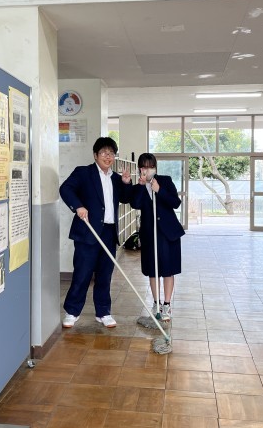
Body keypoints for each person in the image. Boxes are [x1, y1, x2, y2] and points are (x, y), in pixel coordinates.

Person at [60, 137, 132, 328]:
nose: (108, 157)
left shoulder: (116, 178)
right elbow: (65, 189)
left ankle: (103, 312)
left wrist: (126, 183)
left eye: (111, 153)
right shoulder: (84, 173)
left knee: (105, 275)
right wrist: (78, 206)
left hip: (109, 232)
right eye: (104, 153)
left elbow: (126, 199)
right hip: (88, 232)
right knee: (82, 274)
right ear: (95, 155)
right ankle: (72, 311)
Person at [130, 153, 185, 321]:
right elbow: (135, 204)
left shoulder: (165, 181)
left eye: (151, 166)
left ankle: (167, 305)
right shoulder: (139, 186)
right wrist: (141, 186)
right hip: (149, 234)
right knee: (152, 271)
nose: (148, 170)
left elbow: (175, 202)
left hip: (168, 234)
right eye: (144, 167)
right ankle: (156, 303)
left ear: (155, 167)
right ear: (140, 169)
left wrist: (159, 190)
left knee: (168, 269)